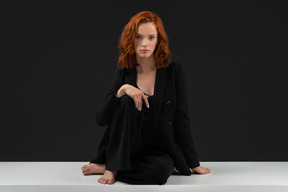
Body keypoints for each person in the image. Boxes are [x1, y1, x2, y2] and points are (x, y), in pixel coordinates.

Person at [81, 10, 211, 185]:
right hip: (126, 147)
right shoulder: (124, 70)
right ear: (130, 40)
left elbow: (181, 118)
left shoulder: (174, 72)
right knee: (127, 100)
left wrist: (194, 163)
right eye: (138, 37)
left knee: (160, 173)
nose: (144, 44)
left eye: (151, 38)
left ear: (158, 40)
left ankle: (111, 167)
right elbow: (102, 118)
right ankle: (113, 166)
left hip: (158, 150)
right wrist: (123, 89)